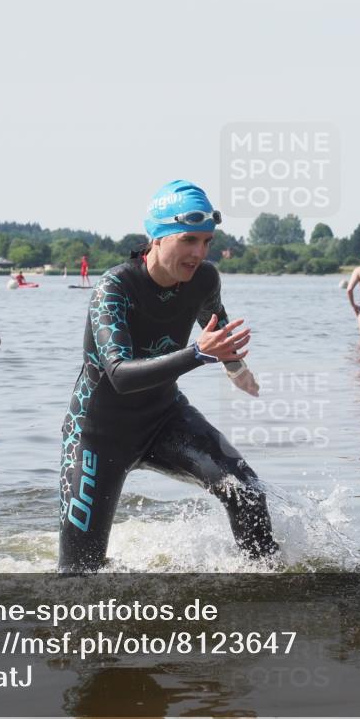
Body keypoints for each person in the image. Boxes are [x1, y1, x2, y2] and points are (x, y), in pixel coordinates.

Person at [58, 180, 278, 572]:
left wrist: (235, 368)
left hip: (164, 419)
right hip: (97, 435)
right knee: (79, 575)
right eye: (189, 240)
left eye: (207, 241)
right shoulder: (114, 289)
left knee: (245, 492)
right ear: (156, 238)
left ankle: (269, 584)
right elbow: (120, 375)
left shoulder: (205, 279)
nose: (199, 253)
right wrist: (197, 353)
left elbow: (216, 322)